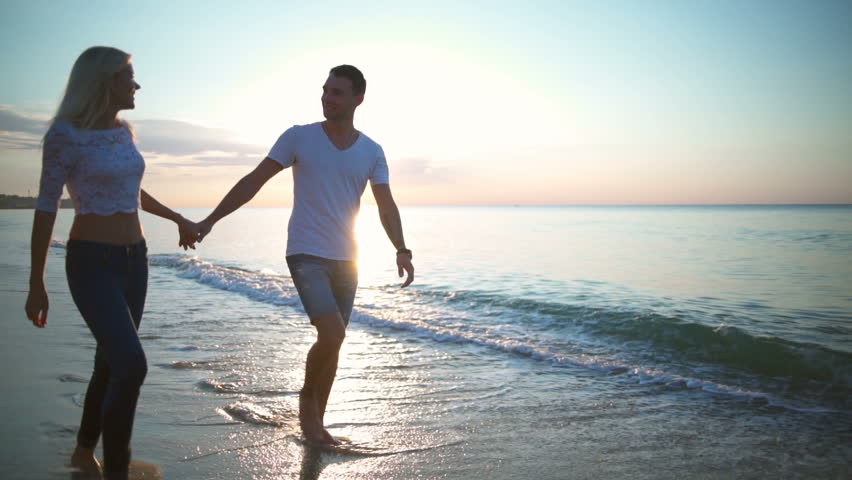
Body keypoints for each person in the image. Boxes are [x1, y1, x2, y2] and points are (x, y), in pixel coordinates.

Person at [195, 64, 414, 445]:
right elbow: (253, 182)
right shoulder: (298, 137)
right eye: (326, 91)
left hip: (349, 258)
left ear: (359, 98)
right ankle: (307, 409)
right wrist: (211, 219)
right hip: (305, 252)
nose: (329, 98)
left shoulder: (372, 151)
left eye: (338, 92)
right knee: (331, 332)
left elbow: (386, 205)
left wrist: (401, 248)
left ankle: (317, 423)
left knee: (335, 341)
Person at [24, 46, 200, 479]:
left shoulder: (124, 132)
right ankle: (116, 472)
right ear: (105, 81)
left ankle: (85, 451)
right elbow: (47, 207)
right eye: (129, 76)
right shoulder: (65, 136)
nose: (136, 85)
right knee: (132, 364)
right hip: (91, 263)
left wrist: (177, 216)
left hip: (134, 261)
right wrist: (36, 282)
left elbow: (132, 191)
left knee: (111, 362)